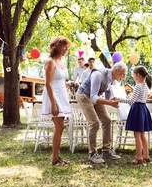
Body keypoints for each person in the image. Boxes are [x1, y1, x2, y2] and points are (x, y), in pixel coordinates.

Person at [76, 62, 128, 164]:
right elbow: (93, 97)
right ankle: (92, 153)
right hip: (84, 95)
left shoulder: (112, 79)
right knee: (94, 123)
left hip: (95, 97)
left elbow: (107, 94)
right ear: (116, 71)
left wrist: (112, 100)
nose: (124, 77)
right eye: (123, 74)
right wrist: (109, 102)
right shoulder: (98, 74)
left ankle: (106, 151)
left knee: (107, 121)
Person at [41, 35, 72, 166]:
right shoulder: (50, 62)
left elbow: (61, 81)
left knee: (60, 127)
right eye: (64, 46)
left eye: (67, 47)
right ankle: (54, 158)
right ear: (57, 47)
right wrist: (53, 104)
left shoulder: (62, 63)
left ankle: (56, 157)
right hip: (53, 96)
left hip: (62, 95)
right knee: (58, 126)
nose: (66, 49)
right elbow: (48, 84)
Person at [115, 66, 152, 165]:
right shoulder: (145, 86)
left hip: (137, 109)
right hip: (143, 109)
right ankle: (146, 155)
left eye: (133, 74)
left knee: (137, 135)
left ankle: (139, 157)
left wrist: (120, 99)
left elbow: (131, 101)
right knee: (142, 134)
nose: (132, 76)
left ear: (138, 75)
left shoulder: (138, 86)